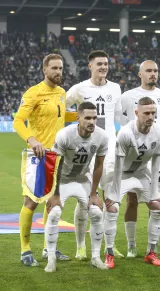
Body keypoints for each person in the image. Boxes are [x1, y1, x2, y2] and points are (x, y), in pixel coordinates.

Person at [13, 53, 74, 266]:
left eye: (61, 68)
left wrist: (80, 116)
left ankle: (49, 247)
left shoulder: (62, 92)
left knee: (53, 203)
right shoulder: (33, 93)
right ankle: (25, 250)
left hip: (58, 155)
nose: (58, 72)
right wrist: (32, 140)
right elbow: (18, 121)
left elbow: (61, 115)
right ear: (44, 70)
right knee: (30, 202)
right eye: (54, 68)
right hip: (38, 156)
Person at [66, 50, 123, 259]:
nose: (104, 67)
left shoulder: (116, 89)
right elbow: (61, 106)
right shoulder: (80, 89)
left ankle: (110, 244)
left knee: (111, 198)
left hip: (109, 149)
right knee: (84, 198)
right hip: (86, 150)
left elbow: (119, 116)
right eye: (99, 64)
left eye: (106, 64)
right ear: (90, 66)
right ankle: (81, 246)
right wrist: (77, 120)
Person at [118, 60, 160, 257]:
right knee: (132, 200)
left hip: (155, 153)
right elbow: (120, 119)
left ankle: (154, 243)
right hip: (135, 152)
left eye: (156, 71)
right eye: (149, 71)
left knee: (156, 197)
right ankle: (131, 245)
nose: (153, 74)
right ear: (139, 74)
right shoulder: (128, 96)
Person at [45, 101, 109, 272]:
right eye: (87, 118)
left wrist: (94, 194)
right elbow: (56, 165)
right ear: (77, 118)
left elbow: (98, 166)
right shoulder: (65, 135)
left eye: (94, 118)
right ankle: (51, 258)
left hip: (82, 180)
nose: (92, 122)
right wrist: (55, 194)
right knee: (55, 212)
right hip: (63, 180)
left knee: (96, 212)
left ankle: (95, 257)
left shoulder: (102, 136)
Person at [103, 97, 160, 268]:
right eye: (146, 113)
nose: (151, 116)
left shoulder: (159, 133)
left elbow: (155, 164)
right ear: (136, 113)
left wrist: (154, 192)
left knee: (158, 207)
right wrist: (114, 194)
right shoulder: (125, 133)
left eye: (153, 113)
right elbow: (117, 165)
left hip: (140, 172)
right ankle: (109, 254)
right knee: (112, 208)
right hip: (119, 173)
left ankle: (151, 253)